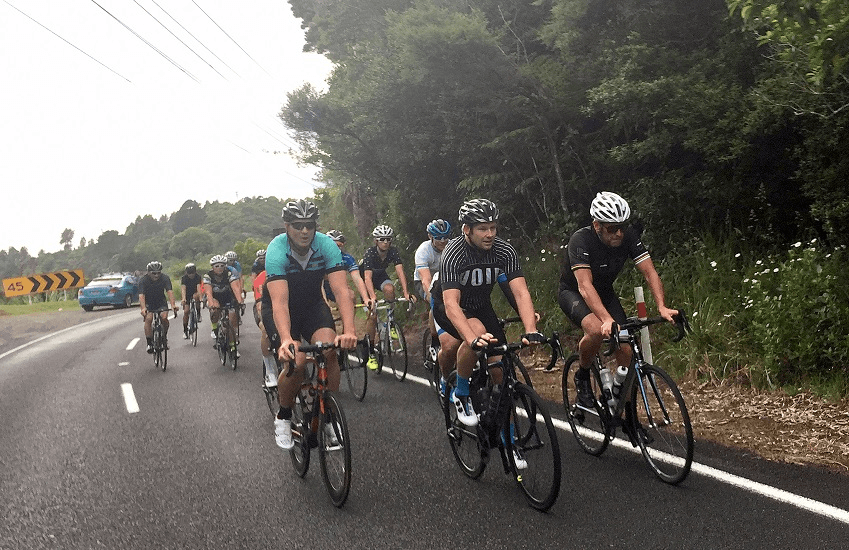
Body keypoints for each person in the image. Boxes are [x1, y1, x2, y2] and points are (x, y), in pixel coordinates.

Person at [432, 199, 543, 434]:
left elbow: (520, 292)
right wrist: (471, 338)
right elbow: (451, 304)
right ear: (467, 230)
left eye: (493, 227)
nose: (490, 234)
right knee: (477, 335)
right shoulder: (453, 252)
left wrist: (530, 328)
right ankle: (461, 392)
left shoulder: (504, 250)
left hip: (482, 306)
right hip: (450, 308)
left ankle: (509, 438)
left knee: (501, 371)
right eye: (482, 228)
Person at [558, 191, 677, 406]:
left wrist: (661, 306)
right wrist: (605, 319)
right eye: (612, 228)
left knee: (626, 349)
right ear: (597, 225)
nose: (619, 233)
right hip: (573, 293)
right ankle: (583, 376)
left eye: (622, 226)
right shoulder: (580, 240)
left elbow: (650, 273)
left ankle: (624, 408)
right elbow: (584, 286)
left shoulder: (628, 236)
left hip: (604, 292)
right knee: (595, 330)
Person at [262, 200, 357, 450]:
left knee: (329, 351)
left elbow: (341, 290)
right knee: (298, 362)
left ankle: (329, 418)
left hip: (313, 305)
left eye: (309, 225)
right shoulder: (276, 249)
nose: (304, 231)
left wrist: (349, 331)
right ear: (287, 226)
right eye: (298, 225)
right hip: (282, 309)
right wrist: (286, 339)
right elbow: (280, 303)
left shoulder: (325, 245)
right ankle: (283, 416)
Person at [362, 224, 415, 369]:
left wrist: (405, 292)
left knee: (390, 289)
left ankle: (391, 323)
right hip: (366, 280)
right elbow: (367, 277)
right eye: (382, 239)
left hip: (380, 276)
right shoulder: (370, 253)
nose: (386, 242)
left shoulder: (393, 251)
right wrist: (372, 297)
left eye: (388, 239)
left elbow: (400, 271)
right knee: (372, 317)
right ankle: (371, 352)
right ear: (376, 241)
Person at [203, 254, 244, 357]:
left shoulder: (229, 274)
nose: (219, 268)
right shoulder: (208, 276)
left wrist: (240, 301)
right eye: (217, 266)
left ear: (225, 266)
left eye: (222, 265)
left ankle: (233, 347)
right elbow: (208, 292)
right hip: (215, 297)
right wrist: (211, 304)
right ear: (212, 267)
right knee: (215, 310)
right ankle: (215, 329)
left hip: (227, 297)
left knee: (232, 321)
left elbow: (235, 288)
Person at [138, 261, 178, 354]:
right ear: (148, 272)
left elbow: (170, 292)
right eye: (154, 273)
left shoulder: (165, 278)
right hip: (149, 303)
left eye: (159, 273)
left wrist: (173, 305)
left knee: (164, 318)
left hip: (161, 302)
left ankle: (164, 337)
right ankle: (149, 343)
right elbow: (141, 296)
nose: (156, 275)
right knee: (149, 318)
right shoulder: (143, 280)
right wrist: (143, 308)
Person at [251, 249, 277, 388]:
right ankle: (270, 371)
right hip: (264, 307)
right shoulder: (261, 278)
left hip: (283, 308)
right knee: (266, 329)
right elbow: (261, 305)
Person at [324, 229, 370, 308]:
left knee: (351, 296)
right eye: (333, 245)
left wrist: (366, 298)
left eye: (339, 246)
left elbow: (357, 278)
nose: (336, 249)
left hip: (337, 285)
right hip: (320, 286)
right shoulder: (319, 256)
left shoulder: (346, 258)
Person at [413, 219, 451, 302]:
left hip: (444, 277)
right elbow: (425, 280)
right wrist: (433, 300)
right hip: (423, 279)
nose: (443, 241)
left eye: (445, 237)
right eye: (438, 238)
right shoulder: (423, 250)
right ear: (430, 237)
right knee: (437, 303)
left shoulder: (452, 247)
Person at [180, 263, 203, 339]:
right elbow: (183, 289)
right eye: (189, 273)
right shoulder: (184, 278)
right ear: (186, 272)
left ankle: (198, 313)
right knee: (186, 312)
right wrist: (183, 299)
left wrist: (200, 298)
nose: (191, 275)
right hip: (187, 294)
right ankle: (185, 330)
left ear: (195, 272)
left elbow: (199, 287)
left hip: (194, 293)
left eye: (192, 273)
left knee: (196, 297)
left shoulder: (198, 277)